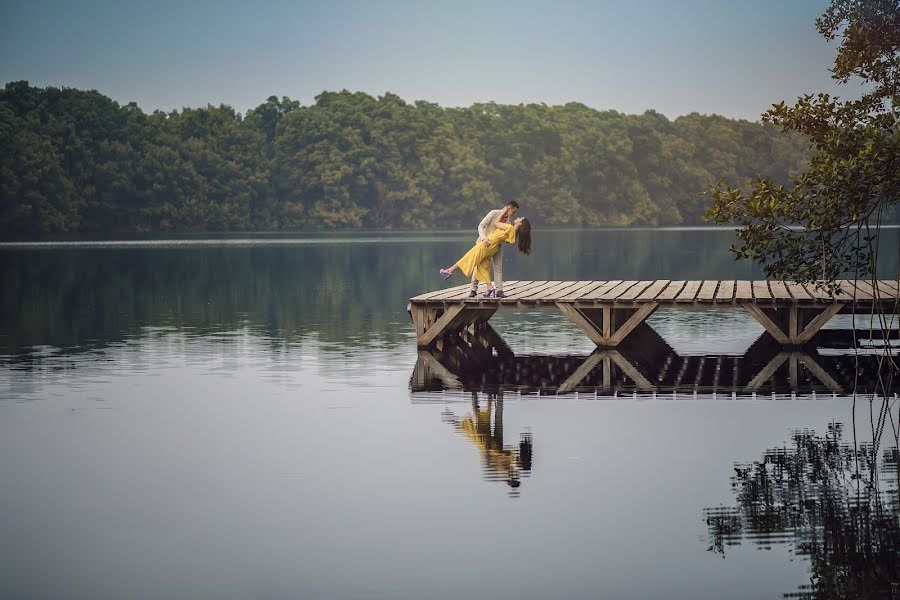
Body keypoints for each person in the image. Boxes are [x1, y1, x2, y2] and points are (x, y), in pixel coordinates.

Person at [439, 214, 532, 298]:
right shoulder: (513, 232)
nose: (518, 218)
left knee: (468, 257)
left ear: (520, 223)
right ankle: (490, 287)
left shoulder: (510, 228)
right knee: (482, 266)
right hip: (492, 247)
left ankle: (450, 270)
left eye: (520, 218)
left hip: (486, 244)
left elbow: (496, 223)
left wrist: (503, 211)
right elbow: (507, 240)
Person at [469, 201, 519, 298]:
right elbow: (481, 226)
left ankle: (499, 290)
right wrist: (484, 238)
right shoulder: (494, 213)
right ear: (508, 208)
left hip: (497, 246)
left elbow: (505, 236)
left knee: (498, 267)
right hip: (484, 244)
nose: (513, 214)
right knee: (478, 266)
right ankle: (473, 289)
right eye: (513, 212)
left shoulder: (508, 221)